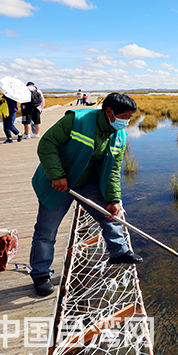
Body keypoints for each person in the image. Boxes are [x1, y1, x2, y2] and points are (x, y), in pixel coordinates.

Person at [29, 92, 142, 296]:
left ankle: (119, 251)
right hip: (58, 183)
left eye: (130, 117)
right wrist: (57, 175)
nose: (127, 122)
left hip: (87, 183)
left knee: (109, 213)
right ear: (109, 112)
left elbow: (114, 171)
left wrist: (113, 199)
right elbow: (47, 144)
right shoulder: (77, 120)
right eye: (124, 116)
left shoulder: (120, 136)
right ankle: (40, 274)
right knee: (46, 230)